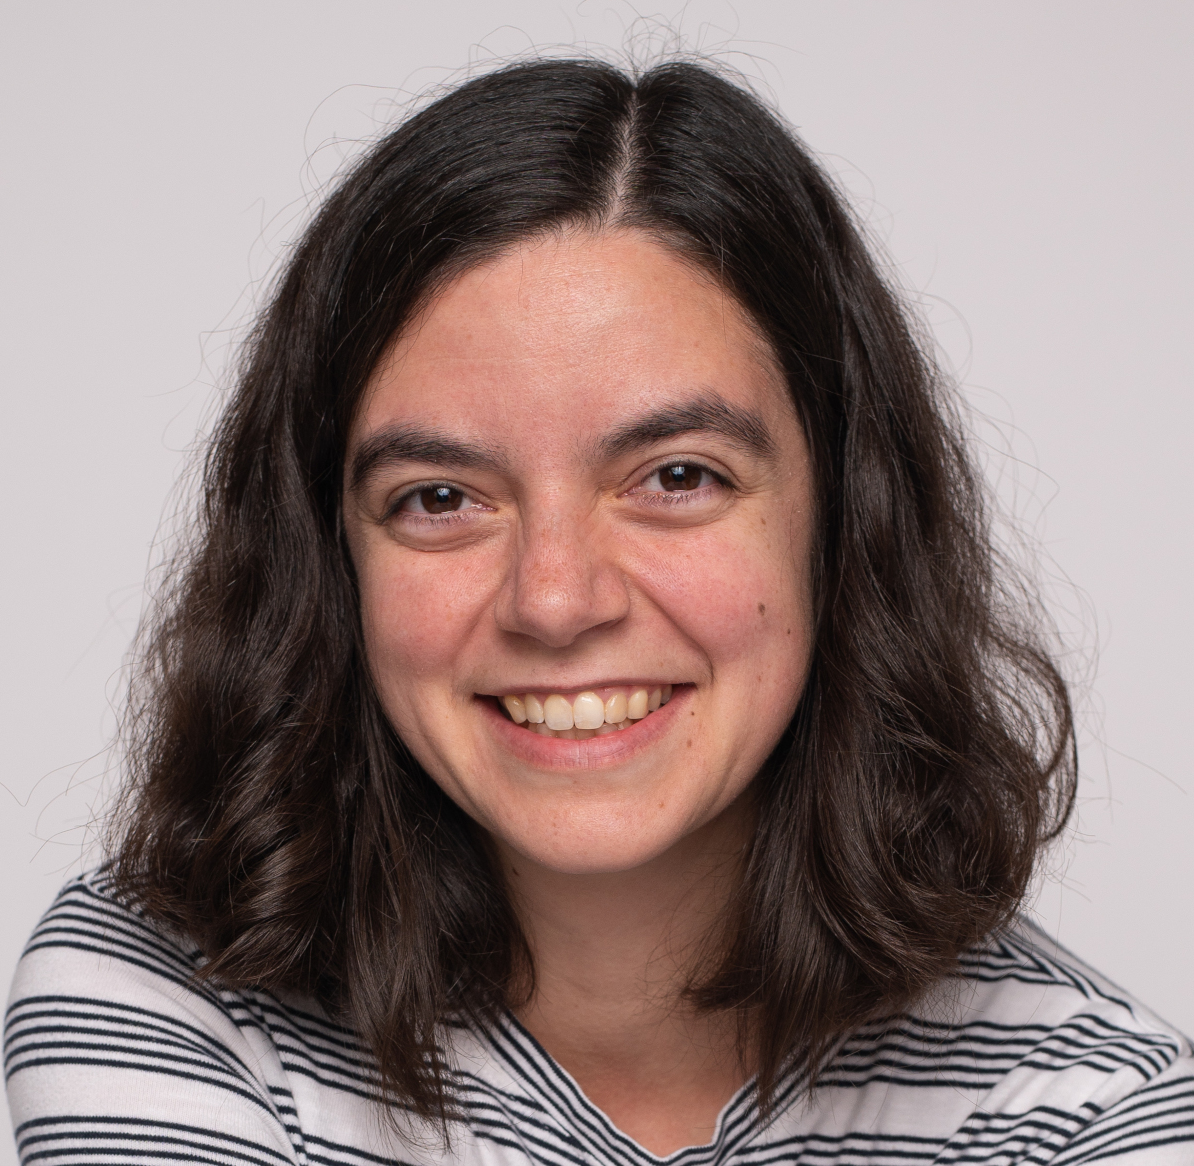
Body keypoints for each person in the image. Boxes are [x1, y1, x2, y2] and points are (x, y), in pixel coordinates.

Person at [5, 57, 1192, 1166]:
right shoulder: (166, 1000)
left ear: (847, 523)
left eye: (678, 476)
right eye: (440, 498)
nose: (556, 598)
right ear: (328, 559)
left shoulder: (1093, 1107)